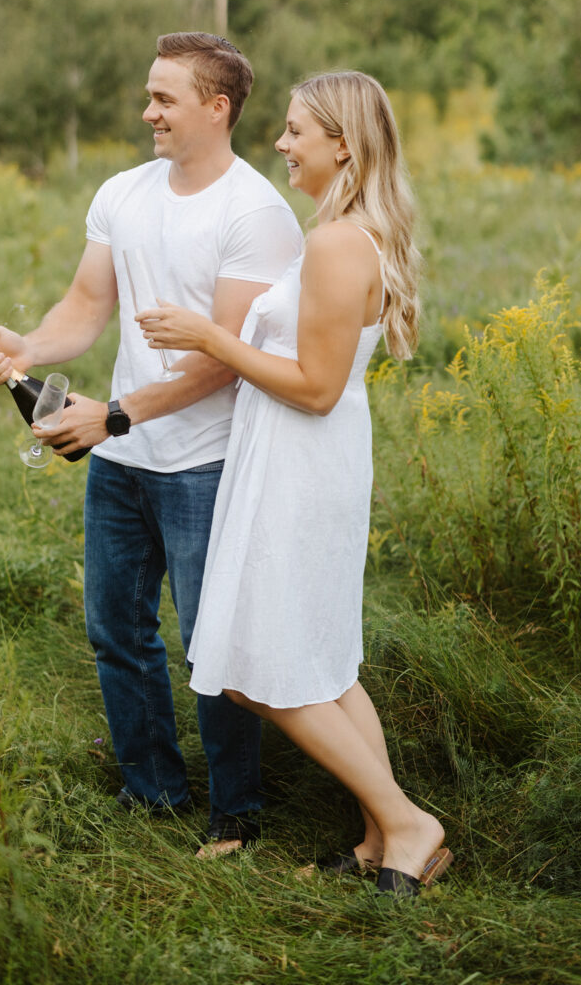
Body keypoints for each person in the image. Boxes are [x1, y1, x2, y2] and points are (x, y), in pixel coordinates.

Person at [0, 32, 303, 855]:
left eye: (165, 98)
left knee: (211, 639)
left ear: (217, 108)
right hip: (123, 460)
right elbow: (87, 304)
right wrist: (30, 348)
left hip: (207, 462)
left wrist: (112, 415)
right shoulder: (123, 191)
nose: (147, 110)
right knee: (116, 628)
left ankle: (238, 811)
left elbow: (223, 362)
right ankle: (152, 792)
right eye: (149, 95)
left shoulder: (256, 213)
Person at [136, 71, 452, 896]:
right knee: (325, 663)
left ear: (342, 143)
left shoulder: (340, 241)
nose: (280, 144)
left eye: (294, 131)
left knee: (259, 667)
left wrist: (210, 334)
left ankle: (410, 820)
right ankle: (383, 836)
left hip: (302, 466)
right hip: (297, 461)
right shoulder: (345, 232)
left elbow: (314, 385)